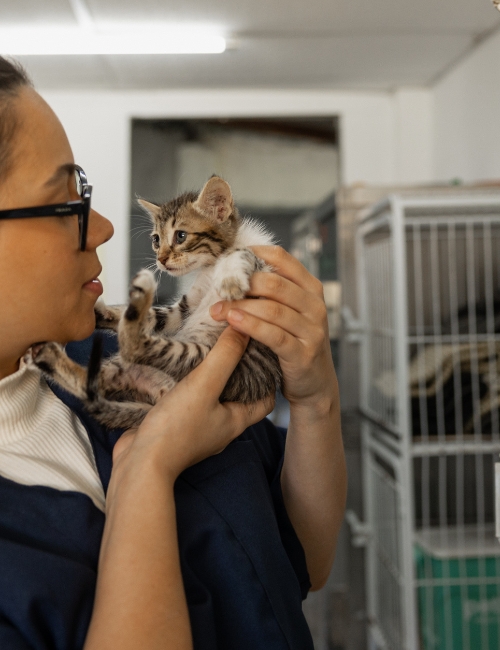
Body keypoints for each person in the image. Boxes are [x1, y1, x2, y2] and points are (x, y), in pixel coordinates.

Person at [0, 56, 347, 650]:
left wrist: (315, 398)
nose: (105, 226)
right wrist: (147, 471)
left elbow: (306, 562)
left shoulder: (131, 354)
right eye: (66, 200)